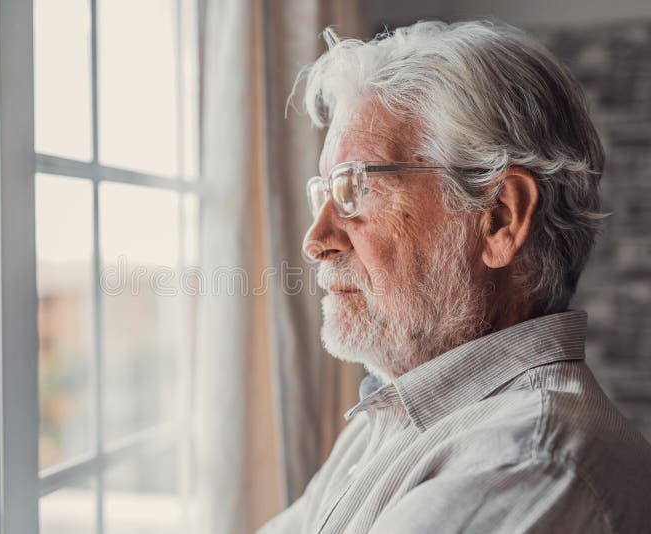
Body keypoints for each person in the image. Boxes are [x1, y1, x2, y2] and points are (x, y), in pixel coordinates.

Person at [258, 19, 651, 533]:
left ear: (500, 219)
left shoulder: (528, 463)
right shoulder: (393, 413)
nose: (316, 240)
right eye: (324, 192)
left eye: (356, 188)